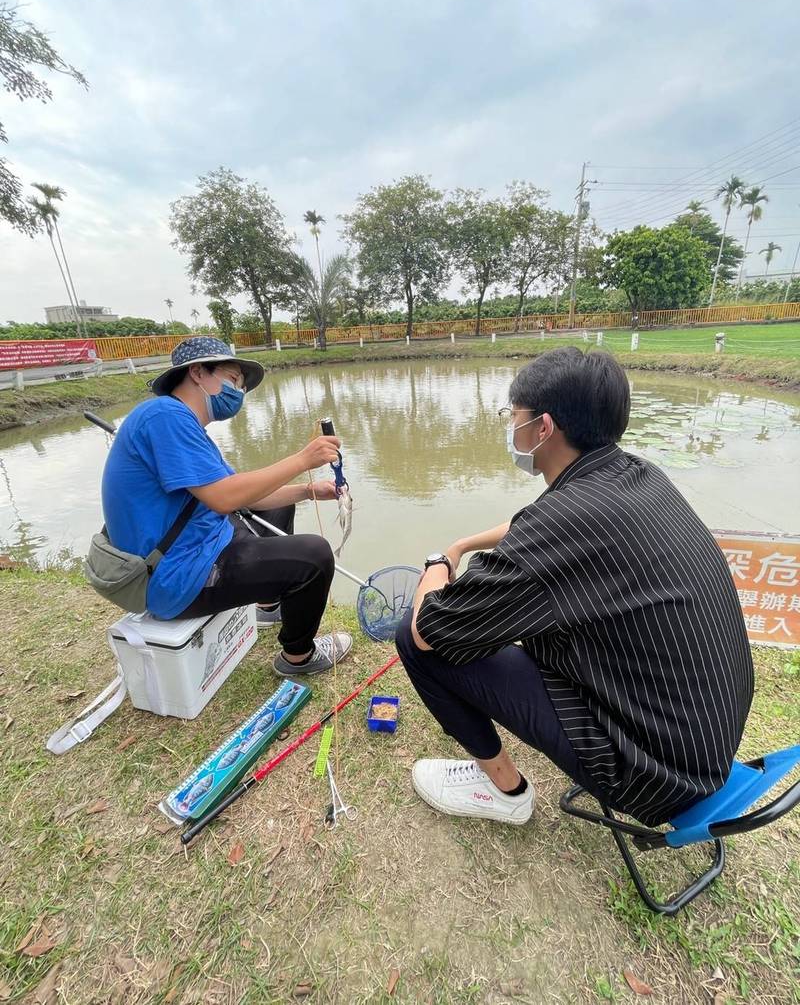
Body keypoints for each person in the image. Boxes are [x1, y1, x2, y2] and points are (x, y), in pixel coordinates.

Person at [396, 346, 754, 828]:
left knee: (415, 638)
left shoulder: (569, 517)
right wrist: (465, 544)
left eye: (513, 416)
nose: (511, 427)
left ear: (542, 428)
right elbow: (535, 523)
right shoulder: (637, 476)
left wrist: (438, 563)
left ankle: (504, 792)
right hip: (707, 741)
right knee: (514, 621)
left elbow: (430, 628)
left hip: (654, 776)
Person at [101, 336, 351, 677]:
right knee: (315, 556)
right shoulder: (164, 415)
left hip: (200, 543)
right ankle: (299, 657)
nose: (239, 392)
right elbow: (224, 498)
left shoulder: (184, 423)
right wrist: (303, 459)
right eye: (233, 379)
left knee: (276, 508)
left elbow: (244, 494)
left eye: (242, 387)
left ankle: (268, 607)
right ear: (198, 372)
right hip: (178, 576)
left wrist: (308, 491)